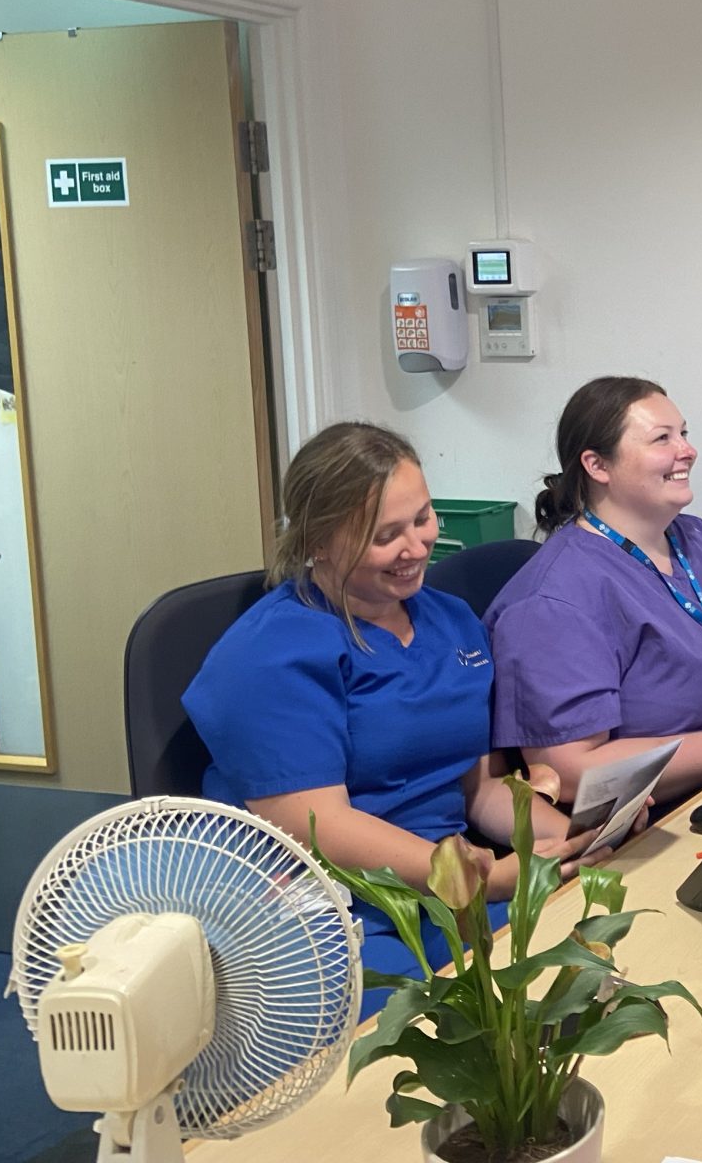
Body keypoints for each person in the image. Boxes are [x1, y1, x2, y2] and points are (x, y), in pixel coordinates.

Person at [184, 422, 608, 1004]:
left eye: (422, 518)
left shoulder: (451, 621)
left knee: (592, 959)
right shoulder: (269, 654)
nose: (417, 547)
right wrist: (480, 880)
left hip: (449, 883)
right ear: (318, 542)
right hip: (333, 903)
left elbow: (475, 789)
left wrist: (573, 838)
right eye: (387, 535)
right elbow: (320, 828)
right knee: (412, 1029)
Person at [487, 377, 702, 808]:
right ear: (597, 466)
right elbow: (567, 774)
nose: (687, 450)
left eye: (683, 433)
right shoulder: (551, 602)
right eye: (662, 439)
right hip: (664, 817)